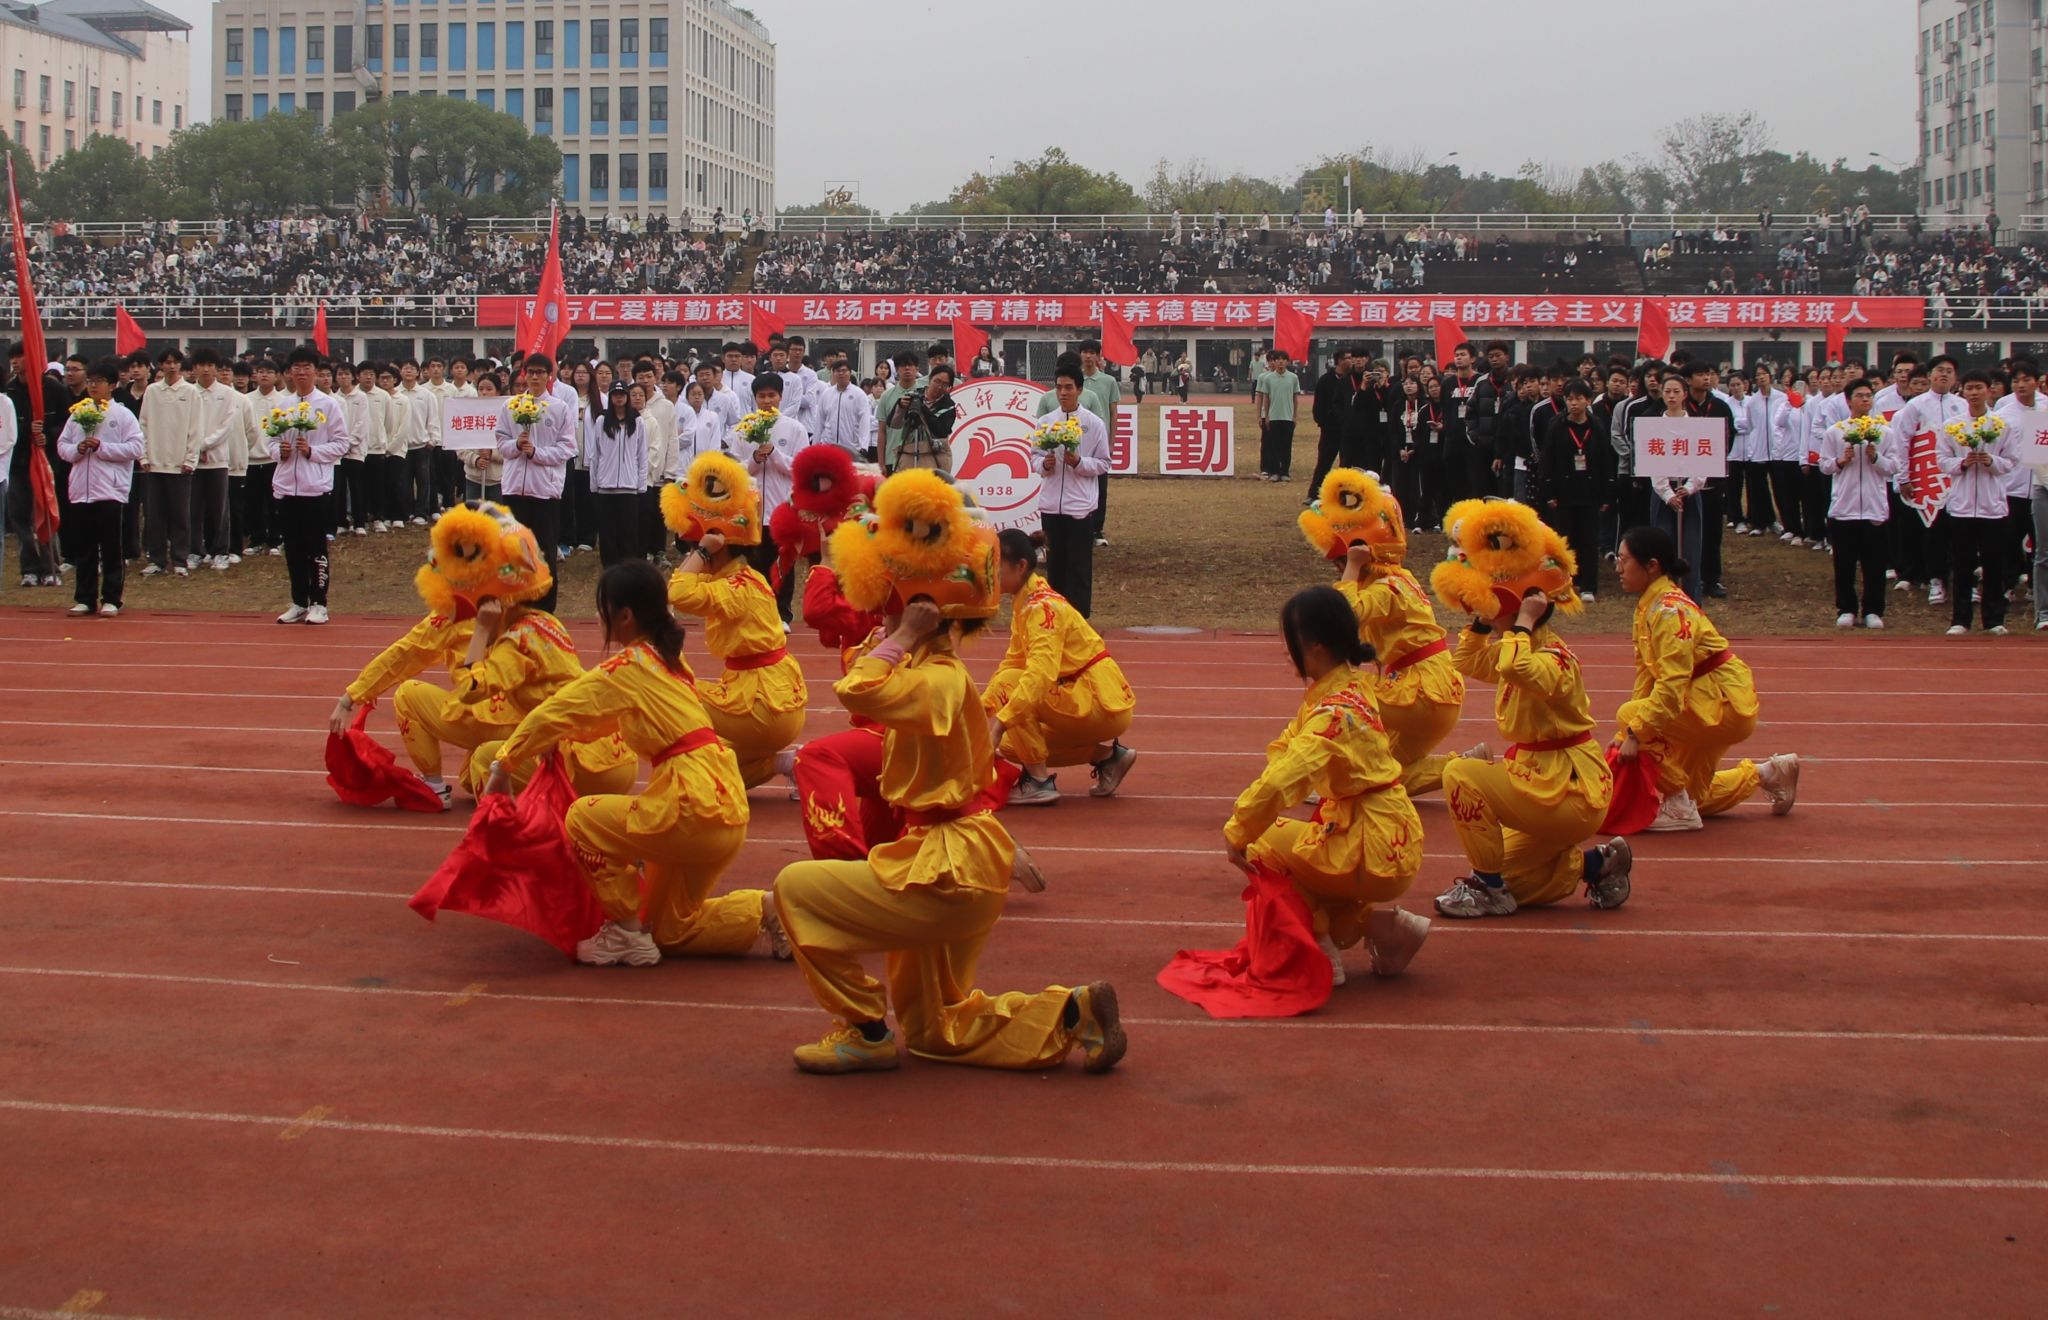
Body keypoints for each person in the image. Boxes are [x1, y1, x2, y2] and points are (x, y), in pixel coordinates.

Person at [772, 473, 1126, 1075]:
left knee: (793, 890)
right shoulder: (941, 673)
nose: (881, 623)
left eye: (889, 612)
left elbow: (857, 687)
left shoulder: (933, 680)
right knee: (935, 1028)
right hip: (957, 859)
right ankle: (1069, 1013)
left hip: (944, 871)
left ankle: (862, 1028)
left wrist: (904, 632)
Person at [481, 560, 787, 968]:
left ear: (624, 615)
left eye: (602, 608)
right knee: (671, 932)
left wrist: (503, 766)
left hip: (690, 807)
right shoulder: (670, 663)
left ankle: (624, 933)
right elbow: (595, 719)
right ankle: (768, 909)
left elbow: (555, 710)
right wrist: (559, 738)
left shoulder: (629, 667)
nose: (596, 618)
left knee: (583, 818)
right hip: (722, 807)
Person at [329, 502, 635, 806]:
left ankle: (490, 816)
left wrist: (350, 698)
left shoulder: (504, 634)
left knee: (479, 757)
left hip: (567, 753)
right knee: (472, 771)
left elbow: (465, 685)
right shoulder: (546, 622)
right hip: (614, 756)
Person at [1426, 499, 1629, 919]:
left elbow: (1517, 668)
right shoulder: (1518, 647)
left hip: (1569, 788)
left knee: (1461, 773)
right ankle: (1599, 864)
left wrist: (1521, 622)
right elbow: (1467, 661)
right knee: (1517, 878)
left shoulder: (1553, 655)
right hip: (1543, 783)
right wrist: (1485, 621)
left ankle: (1487, 889)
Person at [1224, 585, 1430, 987]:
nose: (1286, 650)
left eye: (1290, 640)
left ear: (1315, 647)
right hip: (1394, 835)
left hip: (1370, 844)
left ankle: (1320, 949)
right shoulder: (1353, 687)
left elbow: (1282, 779)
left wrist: (1236, 831)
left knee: (1264, 843)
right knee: (1308, 851)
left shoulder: (1331, 712)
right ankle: (1386, 928)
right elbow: (1287, 746)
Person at [1613, 524, 1800, 832]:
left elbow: (1671, 685)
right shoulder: (1650, 606)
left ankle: (1680, 806)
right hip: (1707, 701)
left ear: (1651, 566)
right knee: (1695, 795)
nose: (1617, 568)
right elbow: (1646, 675)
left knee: (1630, 718)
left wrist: (1633, 732)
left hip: (1720, 704)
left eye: (1623, 559)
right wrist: (1630, 735)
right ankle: (1767, 772)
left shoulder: (1669, 611)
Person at [1301, 469, 1465, 795]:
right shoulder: (1397, 579)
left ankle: (1307, 769)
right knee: (1379, 777)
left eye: (1339, 560)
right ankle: (1465, 768)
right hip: (1432, 696)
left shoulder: (1389, 586)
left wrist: (1351, 565)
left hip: (1419, 694)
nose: (1337, 566)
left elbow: (1346, 614)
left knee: (1337, 700)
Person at [663, 451, 808, 787]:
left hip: (762, 706)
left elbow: (678, 592)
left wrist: (703, 550)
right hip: (772, 699)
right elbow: (683, 586)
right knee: (711, 777)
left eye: (693, 547)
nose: (691, 553)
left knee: (668, 690)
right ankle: (784, 762)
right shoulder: (745, 578)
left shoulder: (735, 585)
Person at [984, 529, 1138, 808]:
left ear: (1020, 566)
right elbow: (1014, 661)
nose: (990, 575)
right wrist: (981, 710)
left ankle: (1039, 782)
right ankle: (1108, 757)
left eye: (996, 568)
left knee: (1010, 692)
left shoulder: (1042, 608)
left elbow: (1038, 675)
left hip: (1096, 700)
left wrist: (1000, 722)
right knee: (1010, 744)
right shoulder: (1026, 603)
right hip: (1088, 698)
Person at [56, 358, 145, 617]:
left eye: (99, 382)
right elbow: (62, 445)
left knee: (110, 546)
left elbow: (136, 448)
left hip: (109, 489)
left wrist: (102, 448)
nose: (93, 386)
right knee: (83, 546)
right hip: (81, 489)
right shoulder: (78, 413)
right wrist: (77, 449)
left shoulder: (121, 414)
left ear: (113, 385)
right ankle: (85, 598)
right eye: (91, 382)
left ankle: (112, 598)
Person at [270, 347, 352, 625]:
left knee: (315, 548)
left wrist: (312, 451)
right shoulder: (281, 405)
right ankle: (298, 601)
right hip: (285, 487)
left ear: (316, 372)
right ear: (289, 372)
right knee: (292, 548)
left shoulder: (328, 405)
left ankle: (319, 602)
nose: (301, 373)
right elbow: (268, 441)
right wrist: (278, 451)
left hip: (314, 488)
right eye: (296, 368)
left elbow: (342, 443)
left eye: (306, 368)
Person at [1937, 369, 2020, 635]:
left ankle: (1994, 619)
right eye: (1969, 388)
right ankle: (1960, 619)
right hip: (1961, 505)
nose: (1974, 393)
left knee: (1994, 564)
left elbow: (2012, 461)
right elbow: (1942, 460)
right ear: (1962, 391)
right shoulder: (1953, 425)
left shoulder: (2000, 425)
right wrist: (1962, 463)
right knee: (1962, 564)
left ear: (1989, 390)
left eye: (1979, 388)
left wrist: (1991, 461)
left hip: (1992, 505)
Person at [1817, 377, 1902, 629]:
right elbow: (1824, 465)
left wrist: (1876, 458)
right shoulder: (1836, 432)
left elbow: (1894, 467)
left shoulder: (1884, 432)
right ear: (1848, 400)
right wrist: (1841, 461)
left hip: (1875, 507)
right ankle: (1846, 608)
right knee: (1844, 563)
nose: (1865, 400)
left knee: (1874, 563)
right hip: (1844, 507)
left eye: (1868, 396)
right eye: (1860, 396)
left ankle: (1873, 609)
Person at [495, 355, 576, 614]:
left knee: (544, 551)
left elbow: (567, 448)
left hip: (544, 491)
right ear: (523, 375)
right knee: (514, 550)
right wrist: (516, 446)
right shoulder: (511, 405)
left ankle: (544, 608)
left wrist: (536, 453)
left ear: (549, 376)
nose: (535, 377)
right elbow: (501, 441)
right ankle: (516, 602)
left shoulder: (559, 408)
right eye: (531, 372)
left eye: (541, 372)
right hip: (514, 489)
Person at [732, 372, 812, 624]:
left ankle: (782, 614)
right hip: (754, 509)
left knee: (783, 564)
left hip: (782, 508)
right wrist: (755, 459)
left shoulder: (794, 428)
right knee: (755, 563)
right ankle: (758, 612)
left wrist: (775, 454)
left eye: (771, 395)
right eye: (761, 396)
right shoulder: (745, 428)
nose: (767, 401)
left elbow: (799, 468)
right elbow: (737, 471)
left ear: (780, 396)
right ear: (754, 398)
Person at [1035, 356, 1111, 618]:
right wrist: (1043, 464)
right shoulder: (1045, 422)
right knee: (1055, 566)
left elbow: (1103, 463)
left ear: (1080, 389)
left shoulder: (1093, 423)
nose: (1063, 393)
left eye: (1068, 387)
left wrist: (1079, 463)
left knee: (1078, 567)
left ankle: (1079, 619)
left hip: (1080, 507)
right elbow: (1033, 457)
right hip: (1051, 505)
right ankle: (1054, 617)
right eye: (1059, 387)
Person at [1536, 379, 1612, 601]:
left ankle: (1588, 585)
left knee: (1589, 539)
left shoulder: (1596, 426)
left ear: (1588, 400)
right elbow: (1547, 461)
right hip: (1563, 492)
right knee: (1565, 541)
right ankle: (1565, 583)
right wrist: (1548, 492)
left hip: (1589, 491)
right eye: (1569, 399)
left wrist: (1606, 493)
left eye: (1579, 398)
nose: (1574, 403)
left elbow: (1605, 461)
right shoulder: (1556, 426)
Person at [139, 347, 203, 579]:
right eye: (166, 362)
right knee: (154, 515)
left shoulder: (190, 392)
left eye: (175, 362)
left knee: (180, 515)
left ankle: (180, 559)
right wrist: (144, 456)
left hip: (180, 464)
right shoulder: (152, 391)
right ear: (160, 366)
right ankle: (156, 559)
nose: (171, 366)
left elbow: (196, 428)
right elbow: (143, 424)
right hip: (155, 463)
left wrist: (190, 459)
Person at [585, 383, 647, 567]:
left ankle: (628, 567)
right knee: (607, 533)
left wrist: (641, 485)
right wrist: (594, 484)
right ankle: (610, 567)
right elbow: (595, 454)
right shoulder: (602, 421)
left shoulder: (637, 421)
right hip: (606, 487)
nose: (619, 398)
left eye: (622, 394)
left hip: (629, 487)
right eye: (615, 394)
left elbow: (641, 455)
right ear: (610, 397)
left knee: (628, 532)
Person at [1254, 348, 1300, 482]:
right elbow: (1264, 398)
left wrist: (1295, 416)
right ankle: (1272, 470)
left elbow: (1295, 398)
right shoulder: (1267, 378)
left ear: (1287, 362)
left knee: (1286, 445)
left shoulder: (1293, 378)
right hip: (1272, 417)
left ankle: (1284, 471)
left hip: (1287, 417)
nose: (1279, 362)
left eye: (1282, 360)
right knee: (1271, 445)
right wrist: (1264, 415)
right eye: (1276, 360)